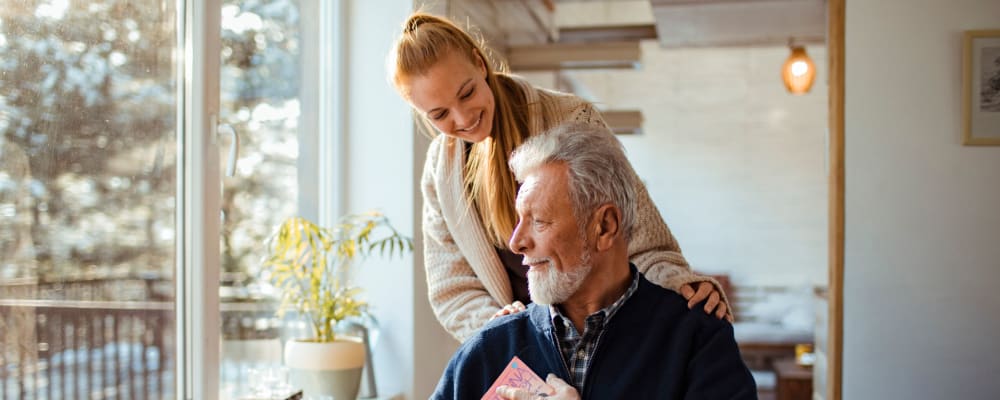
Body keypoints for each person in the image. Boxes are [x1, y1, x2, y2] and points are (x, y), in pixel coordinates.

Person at [388, 12, 730, 343]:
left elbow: (637, 230)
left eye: (467, 93)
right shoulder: (440, 171)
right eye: (440, 114)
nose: (463, 117)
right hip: (522, 348)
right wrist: (497, 329)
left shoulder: (571, 118)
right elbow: (453, 287)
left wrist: (679, 283)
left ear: (480, 63)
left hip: (608, 331)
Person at [431, 122, 757, 399]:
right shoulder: (492, 348)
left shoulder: (696, 342)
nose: (517, 242)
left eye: (539, 221)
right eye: (519, 220)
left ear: (604, 227)